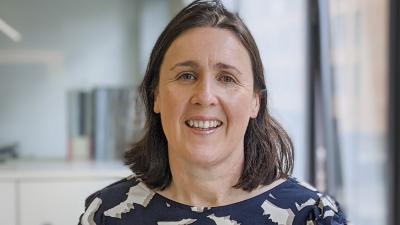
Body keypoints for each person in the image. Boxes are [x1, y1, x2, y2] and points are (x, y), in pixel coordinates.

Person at [79, 0, 347, 224]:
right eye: (186, 75)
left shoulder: (312, 216)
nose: (205, 96)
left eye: (227, 78)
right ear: (156, 96)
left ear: (256, 102)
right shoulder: (107, 214)